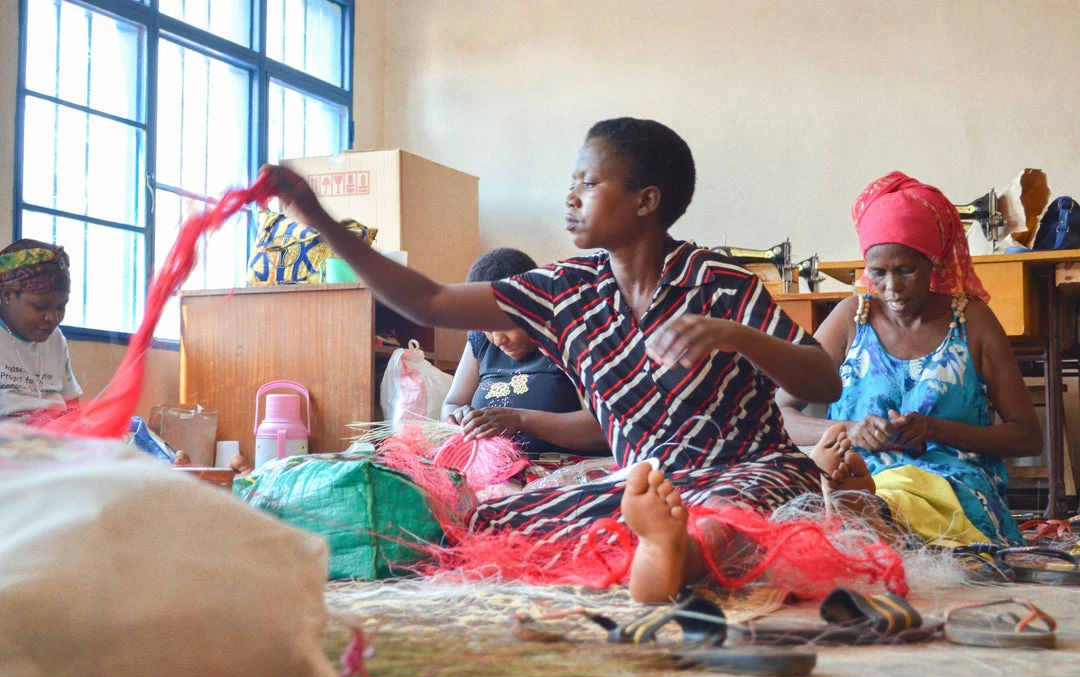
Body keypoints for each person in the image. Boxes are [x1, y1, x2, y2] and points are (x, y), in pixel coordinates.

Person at [260, 117, 842, 603]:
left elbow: (824, 378)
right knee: (490, 525)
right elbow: (428, 300)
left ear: (646, 201)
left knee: (734, 518)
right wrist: (321, 221)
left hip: (747, 468)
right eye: (573, 181)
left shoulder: (719, 283)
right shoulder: (565, 292)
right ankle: (659, 540)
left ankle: (676, 549)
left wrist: (735, 336)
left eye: (589, 184)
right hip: (643, 483)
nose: (570, 197)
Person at [776, 171, 1043, 548]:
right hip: (851, 470)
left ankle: (870, 520)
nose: (892, 287)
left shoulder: (971, 321)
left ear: (932, 263)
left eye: (906, 270)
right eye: (878, 272)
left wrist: (936, 429)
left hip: (947, 480)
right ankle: (863, 516)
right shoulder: (851, 318)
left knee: (901, 496)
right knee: (788, 490)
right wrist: (846, 431)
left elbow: (1028, 437)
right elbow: (779, 417)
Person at [442, 247, 609, 458]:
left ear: (533, 306)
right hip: (496, 471)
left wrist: (521, 419)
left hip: (563, 473)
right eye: (486, 328)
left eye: (503, 324)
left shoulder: (569, 336)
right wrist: (457, 416)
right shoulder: (480, 342)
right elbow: (452, 403)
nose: (497, 339)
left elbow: (603, 428)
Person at [0, 239, 82, 425]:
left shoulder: (54, 337)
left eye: (61, 307)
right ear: (7, 295)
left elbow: (71, 404)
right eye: (40, 307)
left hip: (53, 442)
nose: (53, 318)